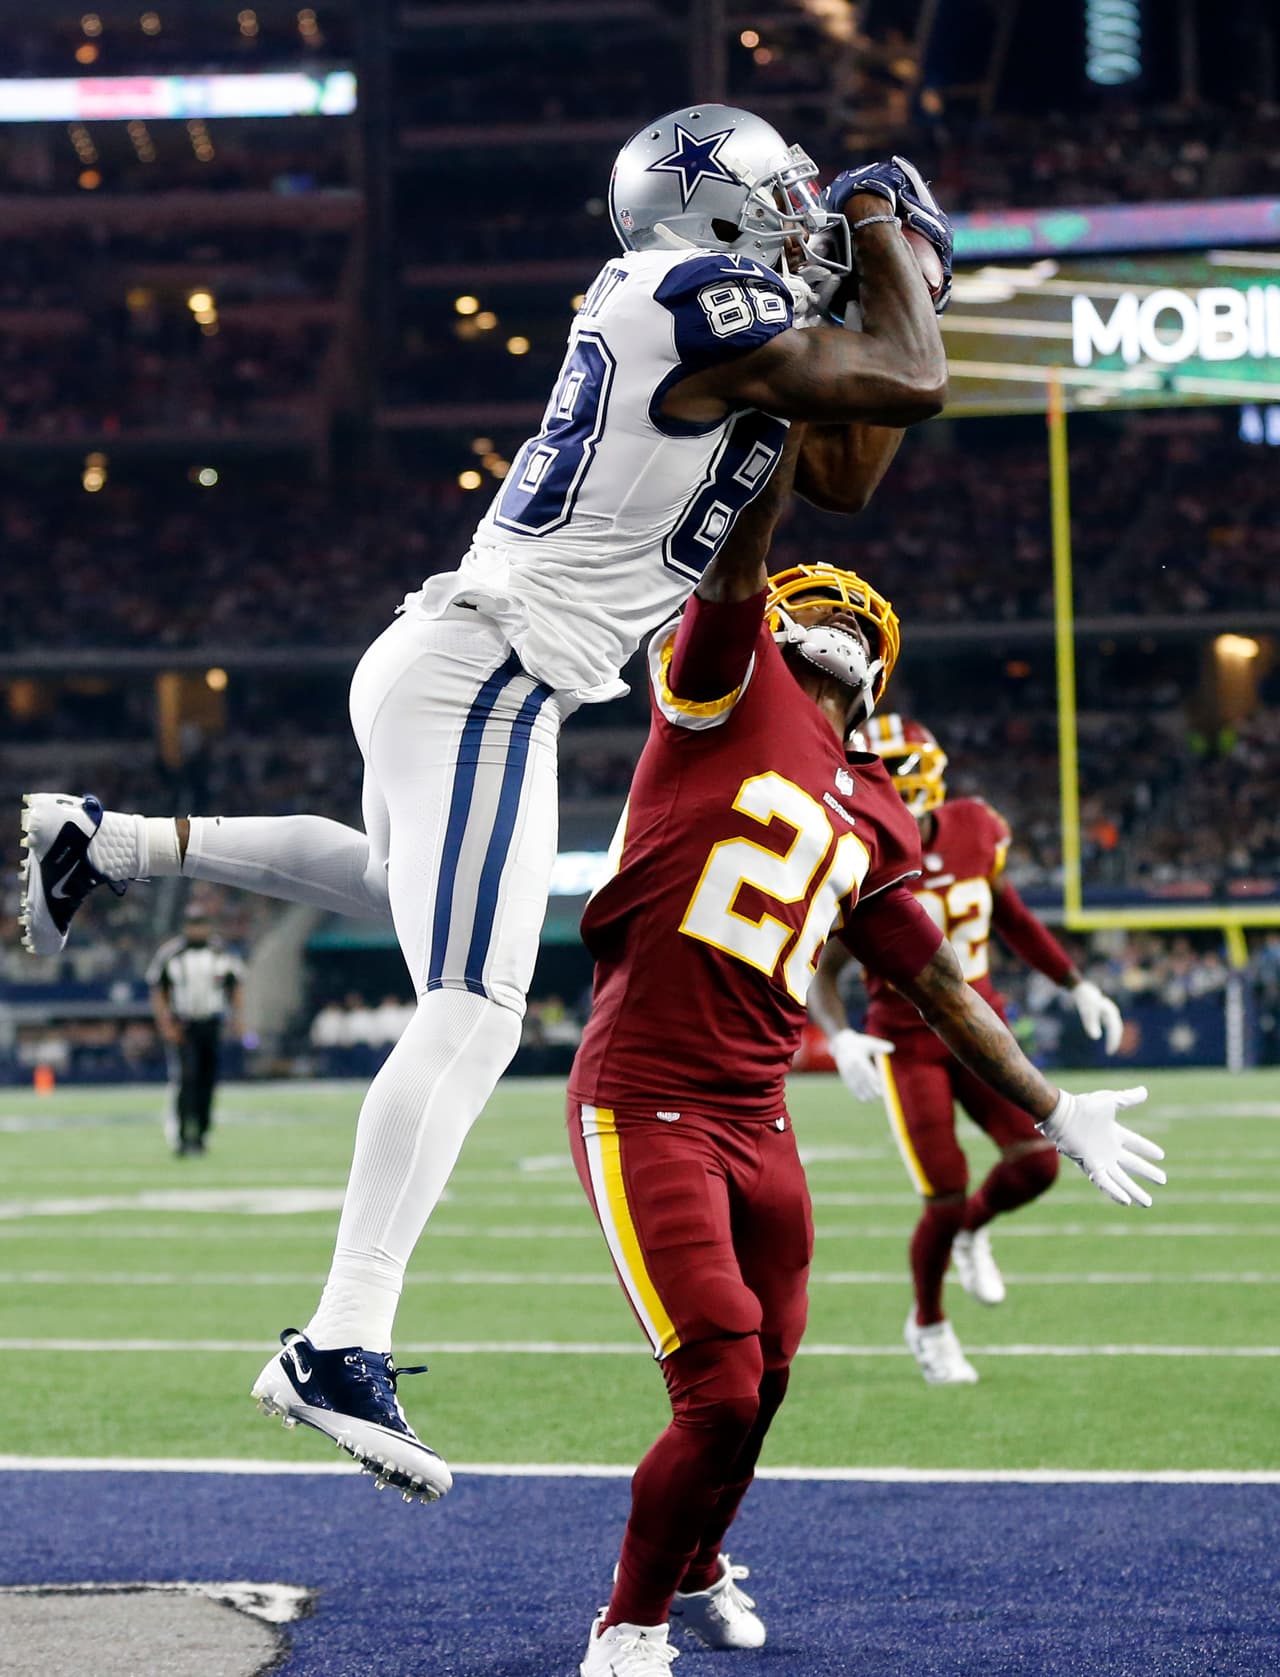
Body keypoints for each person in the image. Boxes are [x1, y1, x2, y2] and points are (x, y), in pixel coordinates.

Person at [17, 110, 949, 1502]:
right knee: (475, 1005)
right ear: (717, 206)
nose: (811, 209)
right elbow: (912, 381)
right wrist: (891, 243)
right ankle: (341, 1335)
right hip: (491, 671)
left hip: (464, 663)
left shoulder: (728, 322)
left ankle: (115, 839)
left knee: (405, 887)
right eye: (790, 194)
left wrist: (887, 279)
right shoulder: (685, 293)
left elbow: (854, 462)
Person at [567, 438, 1164, 1677]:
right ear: (781, 622)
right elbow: (736, 551)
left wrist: (1055, 1111)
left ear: (883, 676)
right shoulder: (727, 686)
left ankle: (696, 1562)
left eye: (857, 617)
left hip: (757, 1119)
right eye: (815, 604)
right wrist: (779, 411)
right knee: (720, 1387)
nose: (834, 619)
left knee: (768, 1381)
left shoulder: (881, 806)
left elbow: (941, 984)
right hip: (647, 1099)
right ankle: (627, 1630)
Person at [808, 715, 1127, 1384]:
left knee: (1037, 1164)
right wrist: (838, 1037)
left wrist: (1077, 982)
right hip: (907, 1042)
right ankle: (928, 1323)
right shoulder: (859, 848)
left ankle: (971, 1232)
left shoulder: (978, 828)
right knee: (944, 1192)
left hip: (981, 1030)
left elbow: (1010, 914)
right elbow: (824, 967)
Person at [147, 906, 244, 1157]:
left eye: (201, 923)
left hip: (211, 1023)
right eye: (192, 923)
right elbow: (159, 990)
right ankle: (181, 1136)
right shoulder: (171, 954)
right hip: (184, 1024)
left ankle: (200, 1135)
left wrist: (236, 1019)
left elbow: (235, 988)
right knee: (186, 1079)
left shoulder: (221, 953)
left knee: (207, 1081)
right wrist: (166, 1025)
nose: (196, 928)